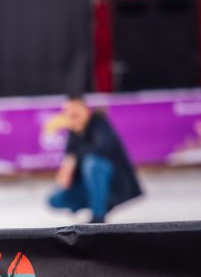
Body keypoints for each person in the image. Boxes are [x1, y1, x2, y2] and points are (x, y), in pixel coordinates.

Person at [48, 94, 142, 223]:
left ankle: (98, 216)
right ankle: (99, 203)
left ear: (86, 110)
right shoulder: (73, 133)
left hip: (115, 183)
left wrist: (74, 159)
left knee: (93, 163)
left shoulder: (99, 123)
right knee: (55, 199)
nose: (72, 115)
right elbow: (68, 167)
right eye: (69, 112)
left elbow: (102, 148)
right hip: (91, 187)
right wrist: (67, 171)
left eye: (75, 111)